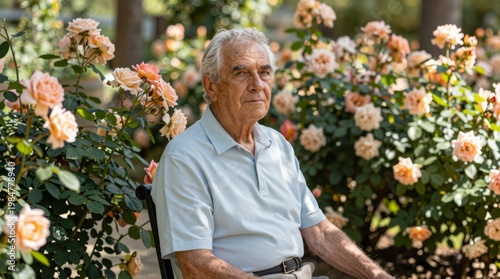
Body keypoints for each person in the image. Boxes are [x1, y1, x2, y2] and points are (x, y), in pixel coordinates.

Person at [152, 27, 395, 279]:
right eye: (241, 73)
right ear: (211, 86)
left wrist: (377, 275)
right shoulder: (185, 158)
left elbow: (320, 233)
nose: (257, 85)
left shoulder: (277, 144)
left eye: (264, 72)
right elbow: (196, 264)